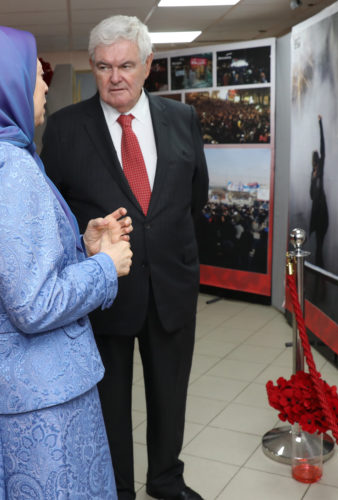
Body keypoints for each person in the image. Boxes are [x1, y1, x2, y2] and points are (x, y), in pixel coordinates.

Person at [41, 15, 209, 500]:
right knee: (110, 404)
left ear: (148, 65)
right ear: (93, 68)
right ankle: (117, 490)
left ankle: (165, 479)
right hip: (105, 293)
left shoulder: (183, 120)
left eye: (127, 65)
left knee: (169, 395)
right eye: (104, 66)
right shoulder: (67, 129)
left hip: (171, 288)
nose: (116, 77)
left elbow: (192, 199)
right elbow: (55, 215)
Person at [0, 26, 133, 498]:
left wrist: (82, 243)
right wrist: (104, 266)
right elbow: (33, 305)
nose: (43, 86)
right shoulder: (13, 167)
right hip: (42, 400)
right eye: (37, 75)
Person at [309, 115, 328, 269]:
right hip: (316, 208)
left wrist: (320, 124)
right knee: (318, 242)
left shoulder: (319, 169)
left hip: (320, 207)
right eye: (315, 156)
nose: (316, 157)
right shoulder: (313, 172)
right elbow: (310, 192)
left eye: (316, 156)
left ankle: (319, 268)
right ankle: (319, 267)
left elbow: (323, 146)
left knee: (320, 240)